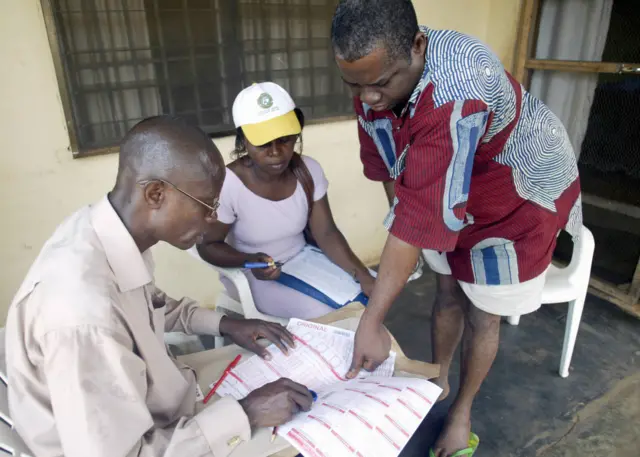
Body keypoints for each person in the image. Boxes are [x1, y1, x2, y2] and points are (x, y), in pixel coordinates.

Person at [330, 1, 582, 456]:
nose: (368, 98)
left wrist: (373, 318)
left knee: (482, 310)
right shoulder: (375, 72)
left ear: (417, 47)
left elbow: (421, 213)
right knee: (448, 288)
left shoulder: (459, 89)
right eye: (354, 86)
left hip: (515, 193)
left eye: (381, 84)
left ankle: (462, 410)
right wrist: (408, 219)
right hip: (451, 189)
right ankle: (438, 382)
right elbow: (398, 180)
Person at [5, 116, 315, 457]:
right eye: (207, 204)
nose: (213, 219)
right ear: (156, 193)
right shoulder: (83, 315)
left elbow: (152, 305)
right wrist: (246, 413)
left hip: (155, 403)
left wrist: (226, 324)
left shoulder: (104, 232)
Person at [197, 82, 376, 319]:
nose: (276, 151)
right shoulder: (228, 185)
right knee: (329, 316)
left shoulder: (309, 171)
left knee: (369, 297)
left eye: (285, 139)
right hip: (254, 274)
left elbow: (327, 234)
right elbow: (208, 246)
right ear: (244, 142)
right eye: (263, 143)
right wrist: (250, 261)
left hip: (306, 260)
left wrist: (362, 275)